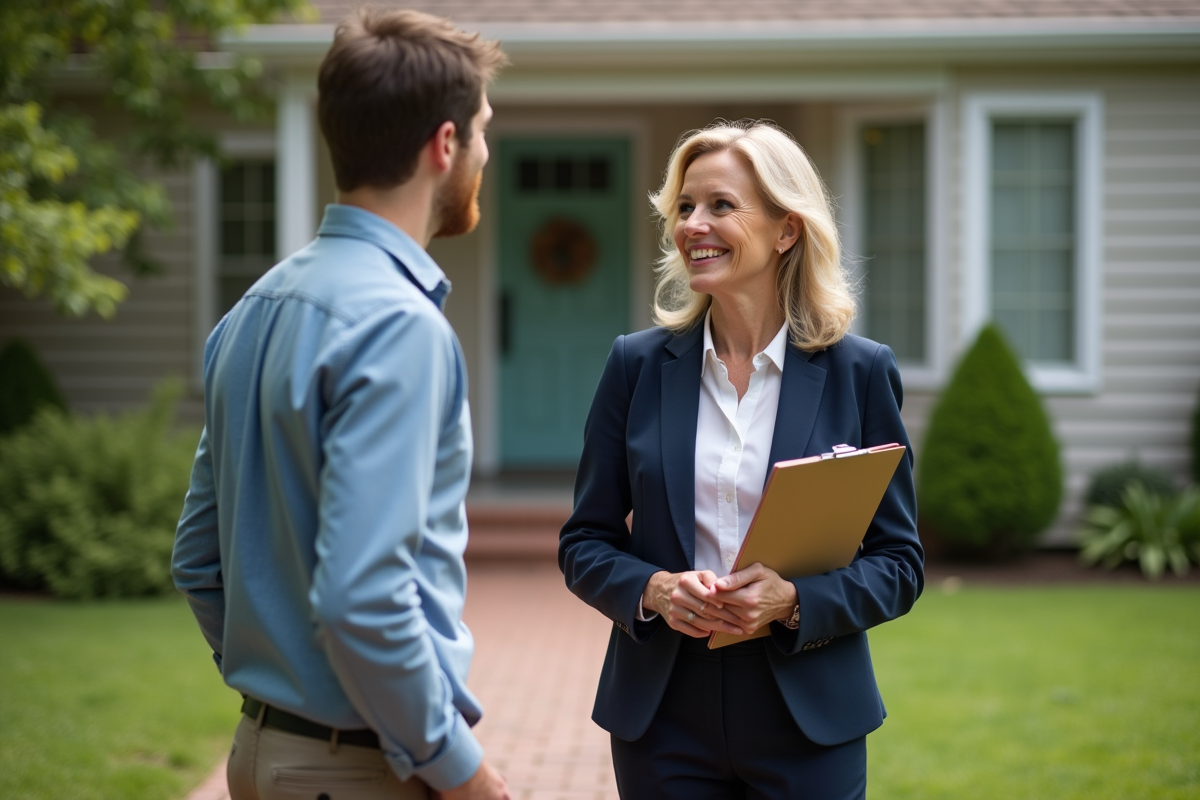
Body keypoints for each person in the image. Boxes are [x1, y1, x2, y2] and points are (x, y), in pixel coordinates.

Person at [172, 9, 511, 800]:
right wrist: (464, 775)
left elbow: (198, 559)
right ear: (445, 144)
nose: (486, 153)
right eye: (484, 131)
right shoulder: (399, 327)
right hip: (358, 770)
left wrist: (283, 691)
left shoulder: (253, 307)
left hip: (263, 754)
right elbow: (363, 597)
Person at [559, 120, 924, 799]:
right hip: (663, 714)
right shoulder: (635, 366)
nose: (693, 224)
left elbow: (899, 563)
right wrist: (653, 591)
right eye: (685, 208)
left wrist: (793, 601)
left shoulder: (861, 372)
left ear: (787, 229)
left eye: (720, 205)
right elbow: (585, 542)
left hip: (809, 714)